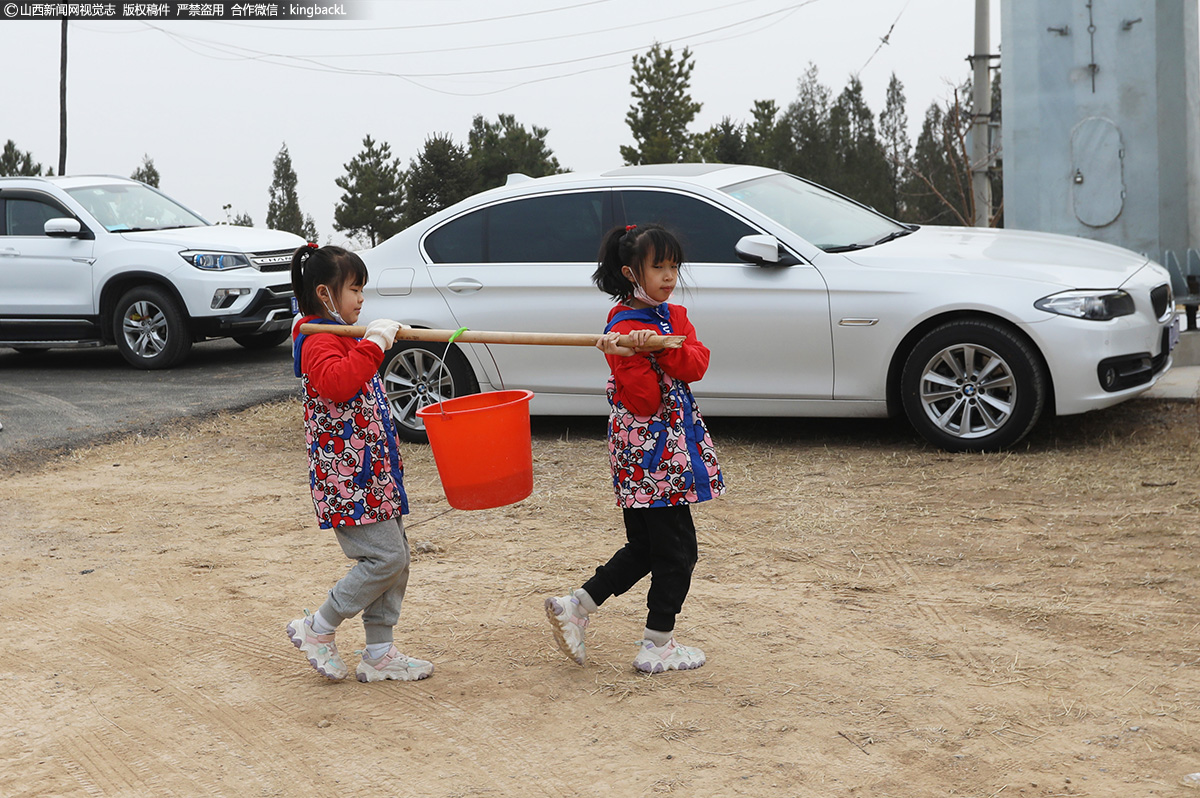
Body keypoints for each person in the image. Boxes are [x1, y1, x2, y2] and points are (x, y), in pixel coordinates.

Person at [545, 224, 725, 674]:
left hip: (673, 447)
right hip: (649, 453)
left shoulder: (674, 317)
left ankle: (576, 606)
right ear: (630, 272)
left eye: (674, 266)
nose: (669, 276)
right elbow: (643, 400)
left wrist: (661, 350)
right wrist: (633, 355)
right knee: (678, 551)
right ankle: (658, 644)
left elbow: (697, 363)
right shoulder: (622, 329)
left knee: (646, 546)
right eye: (658, 267)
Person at [286, 243, 433, 683]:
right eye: (354, 289)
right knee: (384, 558)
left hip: (373, 472)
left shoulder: (339, 335)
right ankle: (320, 626)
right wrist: (373, 345)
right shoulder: (317, 340)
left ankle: (379, 652)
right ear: (325, 294)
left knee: (397, 557)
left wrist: (368, 342)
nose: (362, 298)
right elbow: (337, 384)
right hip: (347, 478)